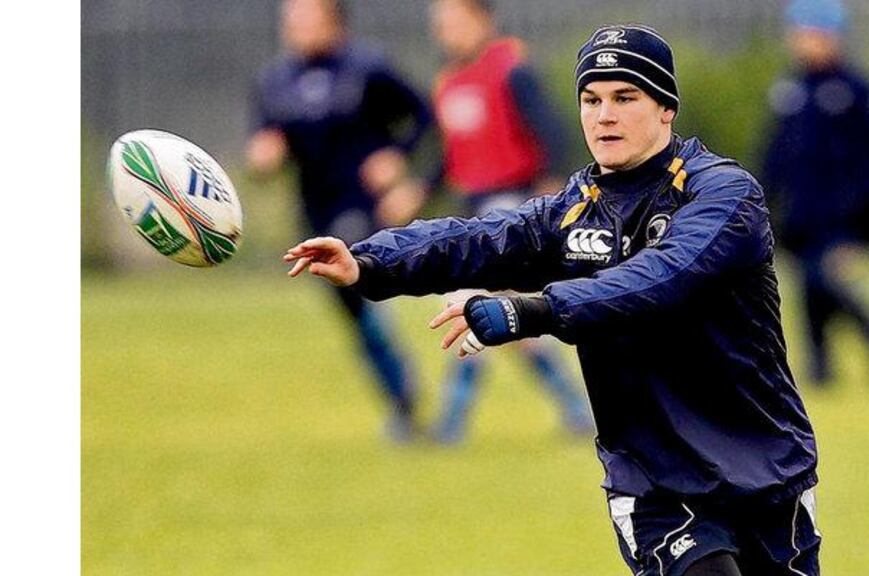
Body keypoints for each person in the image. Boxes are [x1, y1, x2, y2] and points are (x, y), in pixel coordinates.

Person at [285, 24, 821, 576]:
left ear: (666, 108)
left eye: (624, 97)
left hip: (764, 465)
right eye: (591, 99)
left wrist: (533, 310)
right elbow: (478, 239)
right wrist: (369, 261)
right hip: (656, 480)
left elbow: (659, 278)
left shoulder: (725, 195)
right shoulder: (574, 206)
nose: (603, 115)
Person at [248, 0, 433, 440]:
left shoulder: (367, 69)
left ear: (335, 22)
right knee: (351, 311)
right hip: (314, 208)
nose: (298, 27)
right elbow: (264, 142)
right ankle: (401, 395)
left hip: (362, 206)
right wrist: (263, 155)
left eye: (308, 18)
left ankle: (402, 381)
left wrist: (397, 157)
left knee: (355, 277)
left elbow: (423, 115)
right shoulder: (275, 81)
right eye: (292, 20)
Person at [426, 0, 591, 443]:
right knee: (509, 318)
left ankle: (451, 423)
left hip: (512, 206)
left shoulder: (511, 69)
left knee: (469, 306)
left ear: (483, 20)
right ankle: (577, 411)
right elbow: (451, 154)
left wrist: (552, 192)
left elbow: (550, 129)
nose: (447, 32)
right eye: (442, 24)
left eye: (456, 22)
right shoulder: (449, 82)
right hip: (473, 208)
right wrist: (417, 192)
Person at [762, 0, 869, 385]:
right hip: (800, 210)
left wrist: (863, 211)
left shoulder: (857, 90)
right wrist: (763, 196)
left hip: (842, 210)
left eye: (808, 33)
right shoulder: (790, 89)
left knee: (824, 281)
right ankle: (821, 367)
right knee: (807, 289)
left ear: (830, 37)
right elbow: (775, 151)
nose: (800, 42)